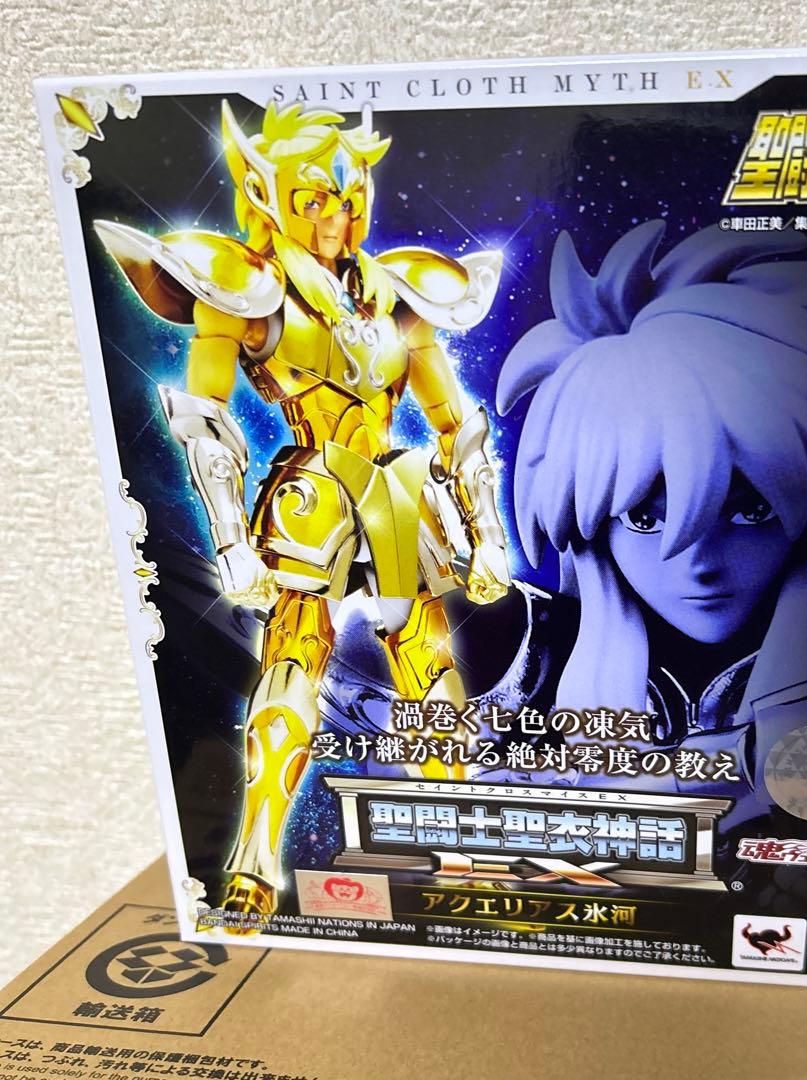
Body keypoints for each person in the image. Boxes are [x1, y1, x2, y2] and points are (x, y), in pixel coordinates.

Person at [95, 101, 510, 923]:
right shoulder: (247, 288)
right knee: (292, 671)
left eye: (347, 198)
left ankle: (460, 850)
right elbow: (207, 421)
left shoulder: (397, 292)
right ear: (267, 193)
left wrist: (488, 534)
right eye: (313, 197)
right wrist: (230, 542)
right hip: (315, 492)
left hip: (397, 494)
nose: (334, 217)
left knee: (430, 670)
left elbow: (456, 425)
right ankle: (255, 856)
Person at [495, 220, 807, 828]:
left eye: (751, 511)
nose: (698, 564)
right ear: (588, 525)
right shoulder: (524, 659)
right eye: (644, 519)